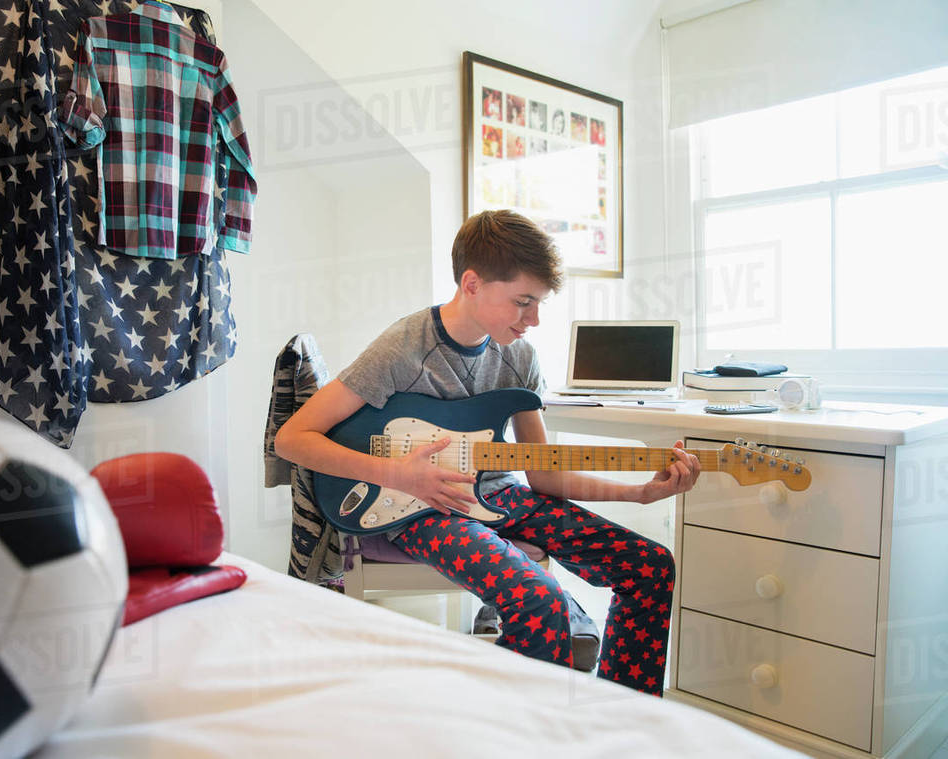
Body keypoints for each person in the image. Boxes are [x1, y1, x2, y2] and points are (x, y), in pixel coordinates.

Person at [273, 210, 699, 696]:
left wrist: (640, 493)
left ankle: (624, 718)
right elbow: (293, 438)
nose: (533, 320)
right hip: (421, 508)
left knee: (650, 567)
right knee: (542, 604)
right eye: (523, 302)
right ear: (472, 283)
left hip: (501, 497)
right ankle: (504, 728)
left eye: (538, 304)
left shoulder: (520, 356)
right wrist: (398, 475)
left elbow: (544, 477)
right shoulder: (403, 347)